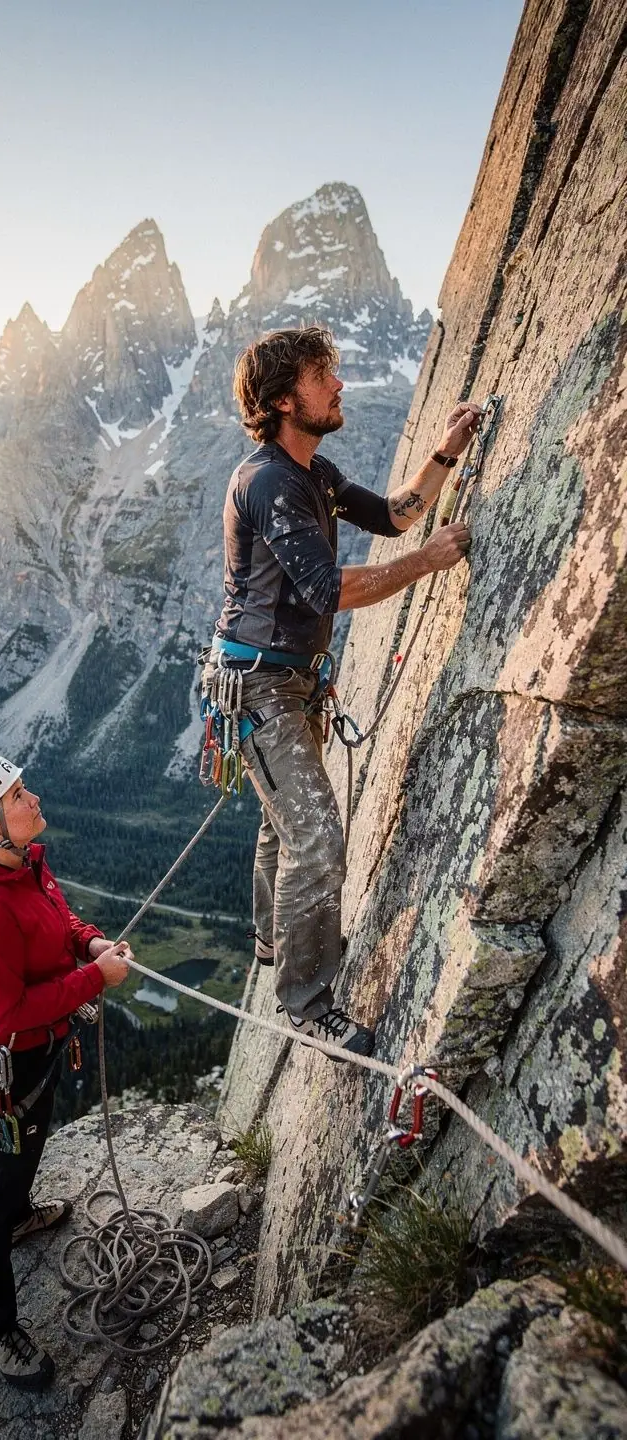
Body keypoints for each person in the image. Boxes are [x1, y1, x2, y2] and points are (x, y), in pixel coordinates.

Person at [204, 326, 481, 1057]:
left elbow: (393, 514)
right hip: (259, 686)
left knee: (283, 825)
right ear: (285, 399)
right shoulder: (267, 482)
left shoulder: (314, 474)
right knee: (316, 838)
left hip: (283, 681)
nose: (339, 385)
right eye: (324, 375)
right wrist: (428, 563)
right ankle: (305, 1002)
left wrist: (447, 450)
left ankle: (274, 941)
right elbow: (328, 589)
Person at [0, 751, 131, 1390]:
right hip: (1, 1064)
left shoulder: (19, 866)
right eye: (18, 796)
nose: (34, 799)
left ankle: (19, 1216)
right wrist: (93, 980)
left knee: (26, 1154)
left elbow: (58, 921)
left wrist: (87, 943)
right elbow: (0, 1016)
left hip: (33, 1052)